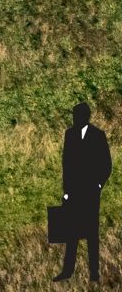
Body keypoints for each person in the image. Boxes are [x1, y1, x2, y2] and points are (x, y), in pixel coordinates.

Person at [60, 102, 111, 283]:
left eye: (78, 115)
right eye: (74, 115)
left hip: (90, 192)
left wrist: (98, 185)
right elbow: (66, 164)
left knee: (91, 232)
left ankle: (94, 272)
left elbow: (106, 164)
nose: (75, 119)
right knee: (71, 232)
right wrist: (66, 191)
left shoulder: (98, 135)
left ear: (85, 116)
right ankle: (67, 270)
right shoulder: (70, 134)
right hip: (73, 192)